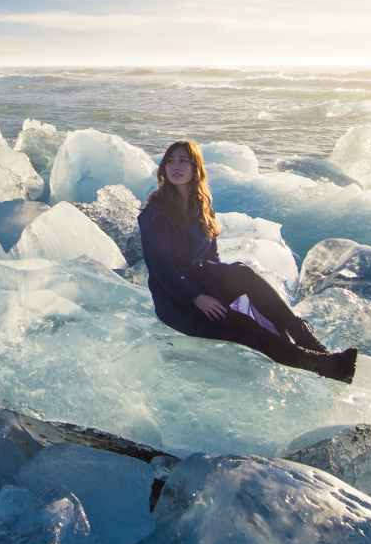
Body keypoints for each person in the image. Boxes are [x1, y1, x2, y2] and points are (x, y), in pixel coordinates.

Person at [137, 140, 357, 383]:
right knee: (245, 327)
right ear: (163, 168)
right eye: (170, 161)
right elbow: (161, 267)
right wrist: (198, 298)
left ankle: (309, 341)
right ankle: (324, 366)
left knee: (242, 274)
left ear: (196, 169)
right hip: (176, 301)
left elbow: (212, 258)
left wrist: (223, 286)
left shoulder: (201, 207)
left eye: (183, 161)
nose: (175, 166)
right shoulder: (156, 211)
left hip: (201, 284)